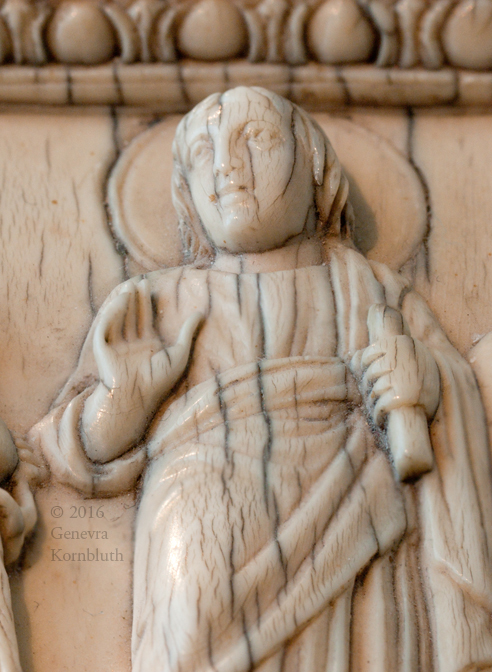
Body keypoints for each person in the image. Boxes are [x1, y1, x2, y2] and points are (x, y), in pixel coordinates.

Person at [29, 87, 492, 672]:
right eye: (203, 152)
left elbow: (456, 395)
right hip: (200, 549)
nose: (227, 165)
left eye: (256, 137)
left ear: (315, 167)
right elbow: (64, 449)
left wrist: (425, 382)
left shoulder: (374, 292)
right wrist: (123, 404)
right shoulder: (157, 303)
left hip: (356, 524)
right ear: (184, 192)